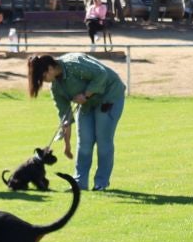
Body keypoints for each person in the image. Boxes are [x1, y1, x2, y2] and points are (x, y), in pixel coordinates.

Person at [29, 51, 126, 191]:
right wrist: (66, 145)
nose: (44, 81)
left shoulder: (74, 63)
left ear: (50, 68)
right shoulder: (56, 87)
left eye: (43, 76)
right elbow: (65, 117)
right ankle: (80, 183)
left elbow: (101, 74)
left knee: (103, 140)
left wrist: (86, 94)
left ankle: (101, 183)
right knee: (84, 142)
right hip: (87, 104)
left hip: (109, 96)